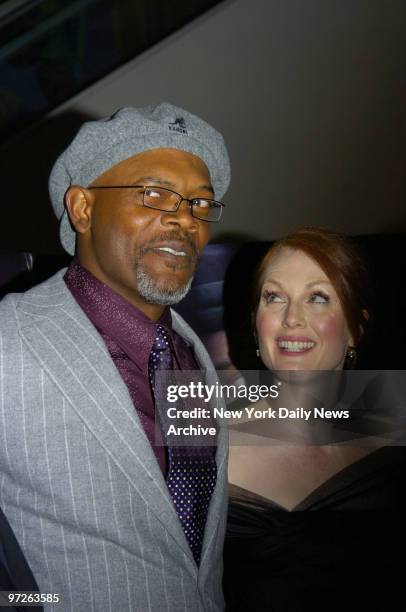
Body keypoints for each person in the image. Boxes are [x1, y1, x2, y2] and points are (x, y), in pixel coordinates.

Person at [0, 103, 230, 611]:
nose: (184, 219)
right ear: (83, 208)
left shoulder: (191, 356)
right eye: (153, 193)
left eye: (200, 203)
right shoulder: (8, 341)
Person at [223, 227, 406, 611]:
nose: (292, 318)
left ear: (356, 327)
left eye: (318, 298)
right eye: (274, 297)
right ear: (256, 324)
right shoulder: (202, 453)